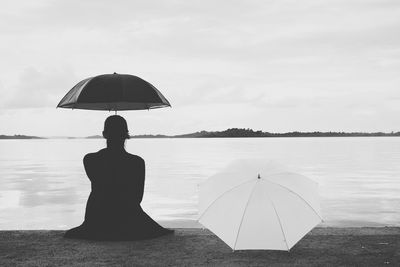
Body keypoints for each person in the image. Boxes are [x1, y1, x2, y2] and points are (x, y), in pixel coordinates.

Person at [64, 115, 174, 240]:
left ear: (104, 134)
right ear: (126, 135)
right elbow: (138, 198)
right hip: (127, 216)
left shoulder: (90, 159)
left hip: (98, 216)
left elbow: (101, 188)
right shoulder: (137, 162)